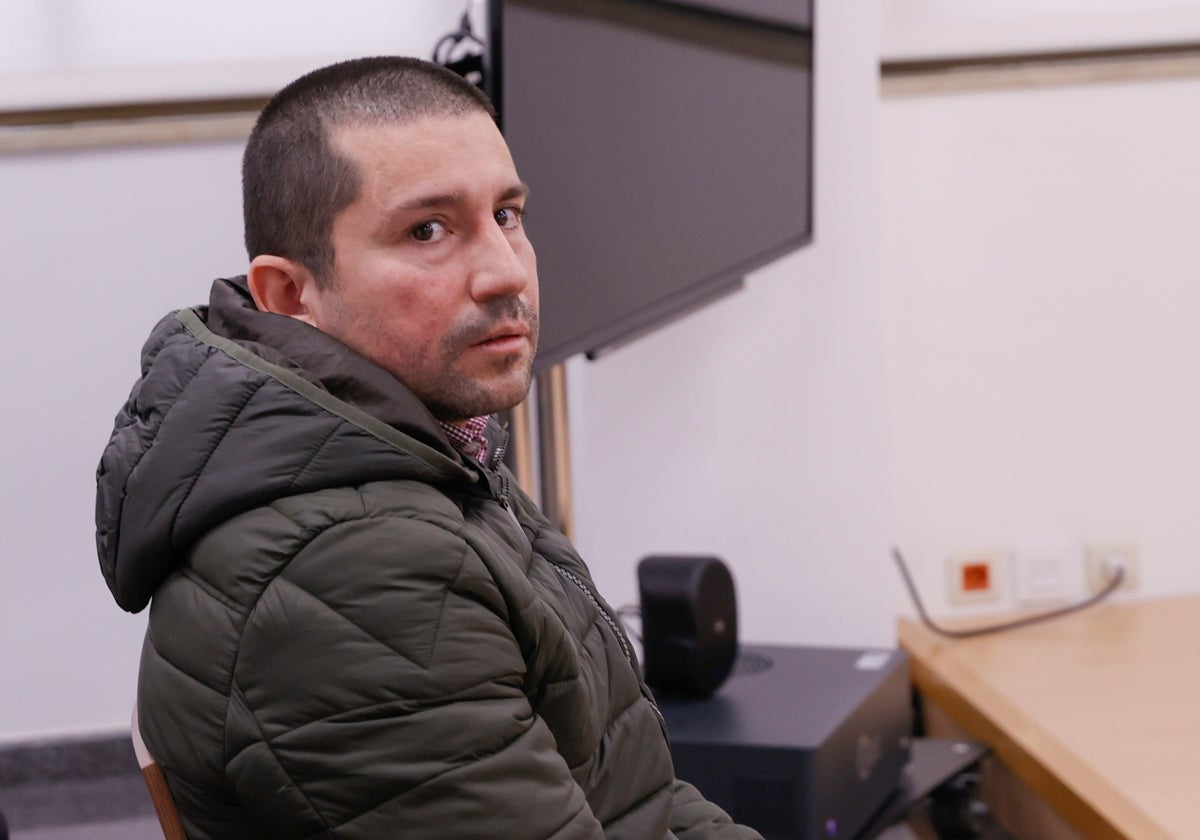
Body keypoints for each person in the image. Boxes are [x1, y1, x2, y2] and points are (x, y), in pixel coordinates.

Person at [96, 57, 762, 840]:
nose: (506, 272)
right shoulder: (351, 571)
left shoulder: (420, 444)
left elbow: (639, 798)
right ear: (289, 296)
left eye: (508, 215)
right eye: (428, 230)